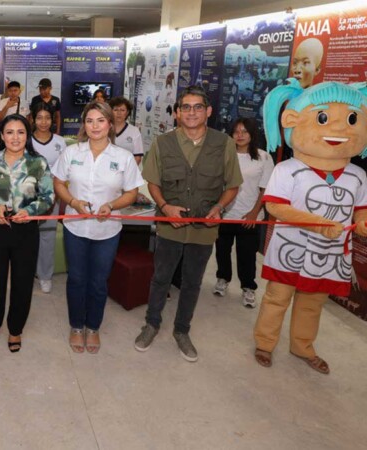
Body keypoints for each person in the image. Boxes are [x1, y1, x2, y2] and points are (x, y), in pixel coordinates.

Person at [253, 80, 367, 374]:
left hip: (329, 253)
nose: (340, 128)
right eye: (324, 117)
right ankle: (265, 343)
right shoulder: (287, 169)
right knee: (277, 299)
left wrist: (362, 222)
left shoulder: (357, 175)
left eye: (351, 119)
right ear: (292, 120)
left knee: (313, 303)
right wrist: (318, 224)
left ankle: (302, 346)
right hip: (290, 249)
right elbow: (275, 206)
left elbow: (360, 208)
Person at [134, 86, 242, 362]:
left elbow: (232, 185)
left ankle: (182, 330)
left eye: (197, 107)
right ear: (177, 113)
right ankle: (151, 324)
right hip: (170, 225)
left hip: (204, 229)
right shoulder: (163, 143)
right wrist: (165, 207)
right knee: (161, 278)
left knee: (192, 282)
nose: (191, 112)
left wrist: (219, 207)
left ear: (208, 111)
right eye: (186, 107)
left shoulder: (224, 144)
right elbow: (153, 182)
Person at [53, 101, 144, 354]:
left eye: (100, 120)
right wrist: (73, 202)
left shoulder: (123, 157)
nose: (95, 126)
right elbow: (58, 182)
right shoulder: (72, 152)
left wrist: (112, 205)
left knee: (98, 281)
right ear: (84, 124)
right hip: (75, 227)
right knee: (76, 279)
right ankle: (76, 325)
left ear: (110, 124)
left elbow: (132, 192)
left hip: (108, 230)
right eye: (90, 121)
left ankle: (93, 327)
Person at [0, 114, 54, 352]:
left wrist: (30, 210)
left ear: (27, 135)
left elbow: (48, 197)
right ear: (1, 135)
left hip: (25, 231)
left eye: (21, 132)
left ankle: (15, 329)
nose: (15, 137)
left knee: (22, 282)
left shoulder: (38, 162)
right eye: (9, 132)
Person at [213, 118, 274, 308]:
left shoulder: (263, 157)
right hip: (225, 214)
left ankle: (248, 287)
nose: (240, 135)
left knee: (247, 254)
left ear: (252, 134)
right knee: (222, 250)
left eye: (244, 131)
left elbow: (265, 189)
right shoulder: (224, 155)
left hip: (249, 216)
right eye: (236, 132)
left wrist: (254, 213)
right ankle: (223, 278)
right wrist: (218, 208)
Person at [30, 103, 66, 293]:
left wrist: (53, 196)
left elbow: (63, 173)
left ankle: (45, 275)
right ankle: (28, 271)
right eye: (39, 117)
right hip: (28, 197)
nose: (43, 122)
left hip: (52, 196)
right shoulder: (26, 140)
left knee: (48, 236)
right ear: (33, 119)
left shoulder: (60, 142)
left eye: (47, 118)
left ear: (52, 120)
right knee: (27, 236)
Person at [109, 96, 144, 164]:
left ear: (127, 112)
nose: (119, 113)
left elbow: (137, 157)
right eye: (115, 110)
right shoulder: (104, 129)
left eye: (122, 110)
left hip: (127, 168)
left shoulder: (134, 131)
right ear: (110, 111)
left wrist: (127, 169)